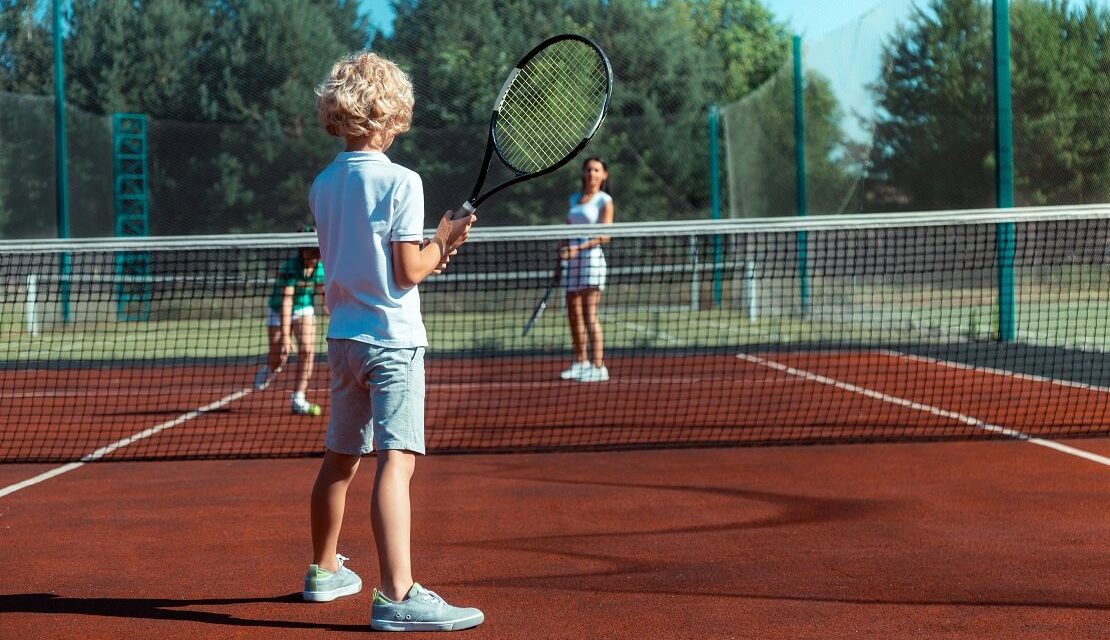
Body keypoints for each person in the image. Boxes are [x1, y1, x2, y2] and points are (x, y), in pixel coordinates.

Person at [302, 51, 483, 632]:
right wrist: (445, 241)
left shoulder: (322, 183)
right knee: (395, 463)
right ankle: (397, 594)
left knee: (340, 459)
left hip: (343, 340)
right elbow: (406, 271)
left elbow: (367, 261)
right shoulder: (404, 181)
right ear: (392, 113)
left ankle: (325, 570)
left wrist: (435, 250)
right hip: (392, 342)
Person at [253, 226, 326, 416]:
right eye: (311, 250)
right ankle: (271, 367)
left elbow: (324, 294)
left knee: (307, 350)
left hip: (304, 308)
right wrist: (286, 336)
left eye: (317, 249)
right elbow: (287, 301)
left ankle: (298, 398)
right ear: (302, 250)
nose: (315, 254)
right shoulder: (289, 267)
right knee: (279, 357)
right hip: (279, 309)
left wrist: (335, 309)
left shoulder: (321, 267)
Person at [559, 157, 614, 383]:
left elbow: (605, 235)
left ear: (604, 175)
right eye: (588, 169)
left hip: (591, 261)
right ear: (583, 174)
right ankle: (581, 362)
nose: (592, 173)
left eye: (596, 170)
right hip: (572, 263)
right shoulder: (574, 199)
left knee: (589, 314)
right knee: (574, 314)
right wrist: (562, 254)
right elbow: (567, 232)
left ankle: (598, 366)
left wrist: (578, 247)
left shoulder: (604, 200)